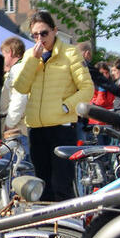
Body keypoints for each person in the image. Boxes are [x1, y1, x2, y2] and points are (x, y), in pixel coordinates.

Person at [12, 11, 93, 202]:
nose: (40, 39)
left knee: (61, 185)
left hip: (62, 128)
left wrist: (67, 107)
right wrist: (33, 60)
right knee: (41, 186)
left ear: (55, 31)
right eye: (35, 35)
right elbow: (20, 87)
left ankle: (68, 228)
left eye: (44, 33)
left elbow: (88, 89)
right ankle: (46, 228)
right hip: (37, 128)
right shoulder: (30, 55)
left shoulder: (70, 53)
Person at [0, 37, 32, 175]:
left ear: (10, 52)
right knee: (25, 174)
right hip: (23, 129)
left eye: (4, 54)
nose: (3, 58)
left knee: (15, 176)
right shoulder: (23, 68)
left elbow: (19, 98)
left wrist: (9, 124)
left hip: (16, 131)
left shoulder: (17, 69)